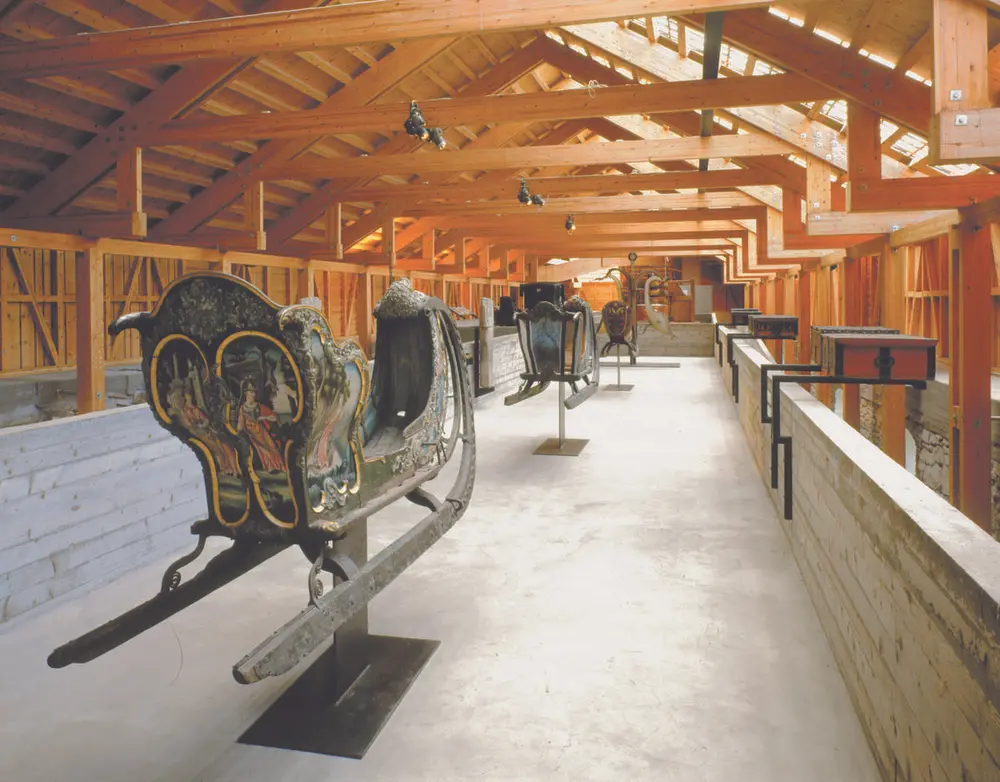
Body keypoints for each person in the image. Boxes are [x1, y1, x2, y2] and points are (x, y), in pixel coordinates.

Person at [236, 382, 285, 472]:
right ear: (246, 393)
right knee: (261, 448)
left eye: (254, 392)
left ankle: (278, 466)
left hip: (261, 429)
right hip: (250, 432)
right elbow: (240, 425)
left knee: (271, 445)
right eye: (250, 392)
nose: (252, 395)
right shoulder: (242, 408)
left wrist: (265, 417)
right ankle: (269, 467)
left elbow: (273, 417)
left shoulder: (260, 406)